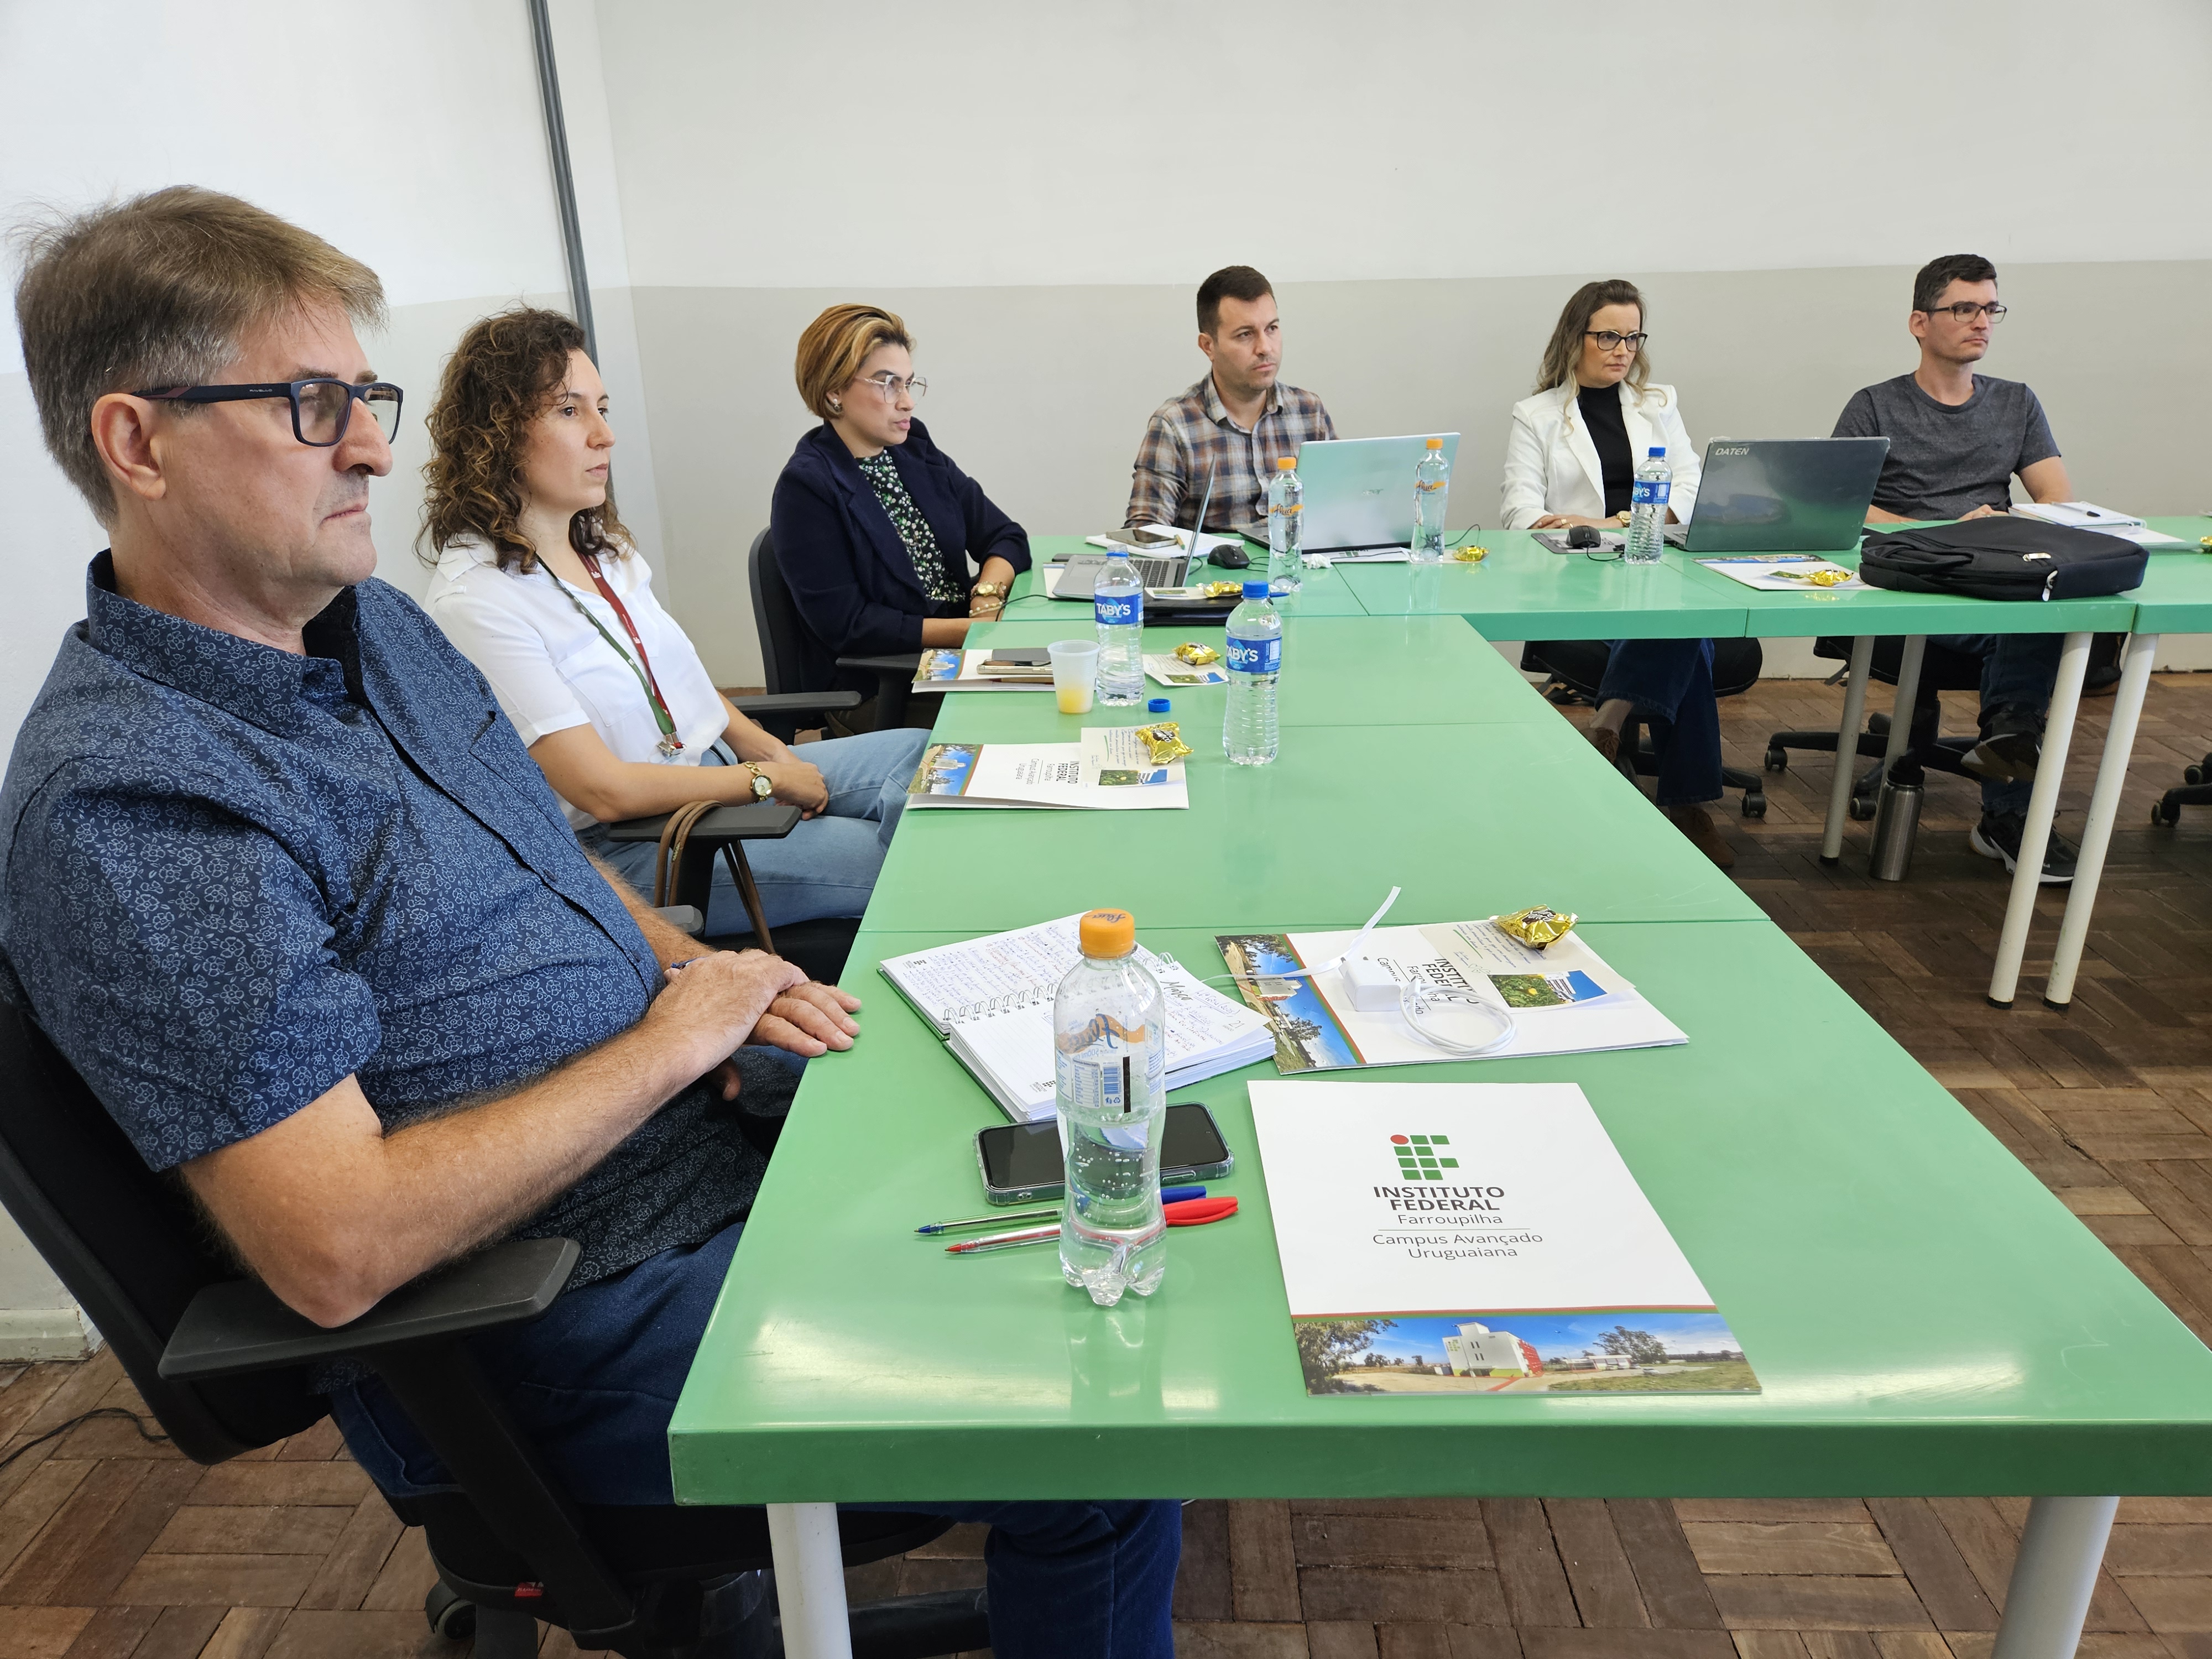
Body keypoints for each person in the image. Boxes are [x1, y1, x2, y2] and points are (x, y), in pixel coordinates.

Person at [0, 189, 1178, 1659]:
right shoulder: (137, 803)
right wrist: (675, 1042)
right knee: (1103, 1429)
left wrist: (709, 972)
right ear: (137, 443)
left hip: (704, 1144)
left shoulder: (375, 633)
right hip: (552, 1318)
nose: (372, 446)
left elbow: (557, 865)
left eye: (365, 396)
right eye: (312, 405)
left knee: (1117, 1165)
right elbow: (336, 1247)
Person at [420, 307, 925, 936]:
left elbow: (677, 680)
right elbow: (603, 792)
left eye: (603, 408)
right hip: (643, 843)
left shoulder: (602, 548)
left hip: (715, 770)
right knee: (902, 857)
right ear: (494, 435)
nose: (604, 435)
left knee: (925, 758)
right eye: (570, 411)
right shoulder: (477, 603)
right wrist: (764, 781)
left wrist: (766, 749)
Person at [1833, 253, 2077, 882]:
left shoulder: (2016, 402)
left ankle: (2010, 746)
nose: (1981, 322)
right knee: (2025, 626)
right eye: (1964, 308)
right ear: (1920, 322)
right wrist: (1938, 532)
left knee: (2041, 609)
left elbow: (2056, 498)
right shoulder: (1875, 406)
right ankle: (2010, 808)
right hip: (1913, 578)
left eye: (1990, 308)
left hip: (1993, 570)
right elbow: (1840, 502)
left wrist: (2006, 523)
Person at [1501, 280, 1732, 869]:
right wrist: (1608, 525)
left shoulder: (1658, 404)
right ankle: (1688, 806)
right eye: (1608, 336)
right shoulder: (1536, 415)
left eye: (1632, 337)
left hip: (1658, 566)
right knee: (1688, 630)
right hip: (1577, 580)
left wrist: (1620, 521)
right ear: (1574, 338)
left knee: (1679, 617)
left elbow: (1692, 485)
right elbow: (1520, 514)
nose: (1622, 349)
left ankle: (1609, 719)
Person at [769, 304, 1029, 716]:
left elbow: (1005, 536)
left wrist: (986, 601)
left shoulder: (913, 448)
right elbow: (850, 625)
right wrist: (973, 631)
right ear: (834, 391)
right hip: (884, 684)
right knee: (1029, 714)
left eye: (908, 384)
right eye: (889, 384)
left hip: (963, 651)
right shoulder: (807, 486)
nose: (907, 403)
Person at [1127, 265, 1337, 536]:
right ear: (1208, 346)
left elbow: (1341, 506)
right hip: (1213, 564)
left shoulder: (1309, 411)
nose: (1265, 348)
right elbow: (1145, 533)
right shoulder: (1175, 424)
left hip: (1293, 562)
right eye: (1245, 335)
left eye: (1272, 329)